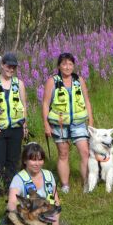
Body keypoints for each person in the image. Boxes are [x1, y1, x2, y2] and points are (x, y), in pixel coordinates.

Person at [42, 52, 94, 193]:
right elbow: (46, 104)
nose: (67, 67)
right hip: (60, 124)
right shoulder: (52, 81)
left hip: (79, 123)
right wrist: (46, 125)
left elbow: (87, 101)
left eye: (70, 64)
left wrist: (91, 120)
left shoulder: (79, 80)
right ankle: (65, 185)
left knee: (85, 152)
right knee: (63, 154)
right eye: (64, 64)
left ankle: (87, 184)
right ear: (59, 66)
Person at [0, 52, 29, 197]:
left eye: (13, 67)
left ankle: (11, 189)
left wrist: (25, 125)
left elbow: (23, 105)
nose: (11, 69)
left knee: (13, 161)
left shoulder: (19, 84)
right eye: (8, 66)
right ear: (2, 65)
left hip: (16, 128)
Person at [7, 142, 63, 225]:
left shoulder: (48, 175)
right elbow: (11, 203)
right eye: (33, 160)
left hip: (47, 216)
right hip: (29, 220)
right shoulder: (19, 178)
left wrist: (55, 222)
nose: (37, 164)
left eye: (40, 160)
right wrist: (21, 221)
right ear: (25, 161)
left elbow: (55, 201)